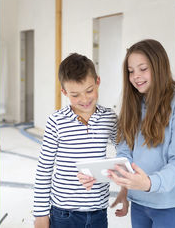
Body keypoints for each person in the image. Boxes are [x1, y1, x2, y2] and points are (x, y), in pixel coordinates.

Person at [109, 39, 175, 228]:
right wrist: (125, 188)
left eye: (143, 69)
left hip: (172, 206)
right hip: (140, 204)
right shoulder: (133, 104)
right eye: (131, 71)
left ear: (159, 67)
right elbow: (125, 151)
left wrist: (149, 183)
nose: (136, 76)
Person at [33, 53, 117, 228]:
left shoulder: (109, 117)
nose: (84, 99)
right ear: (64, 92)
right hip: (64, 213)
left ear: (98, 82)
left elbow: (125, 153)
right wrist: (40, 214)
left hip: (98, 212)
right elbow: (44, 169)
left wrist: (113, 175)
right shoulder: (56, 121)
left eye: (89, 90)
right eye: (75, 95)